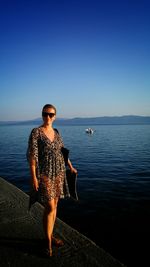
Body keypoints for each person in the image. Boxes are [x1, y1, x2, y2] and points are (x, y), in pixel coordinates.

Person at [27, 104, 77, 257]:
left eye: (50, 114)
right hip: (45, 174)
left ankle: (50, 235)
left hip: (59, 172)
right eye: (45, 114)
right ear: (42, 115)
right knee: (49, 206)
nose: (47, 117)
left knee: (55, 206)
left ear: (55, 116)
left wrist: (71, 166)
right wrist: (34, 177)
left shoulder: (56, 132)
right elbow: (32, 156)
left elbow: (62, 151)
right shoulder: (36, 132)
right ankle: (47, 242)